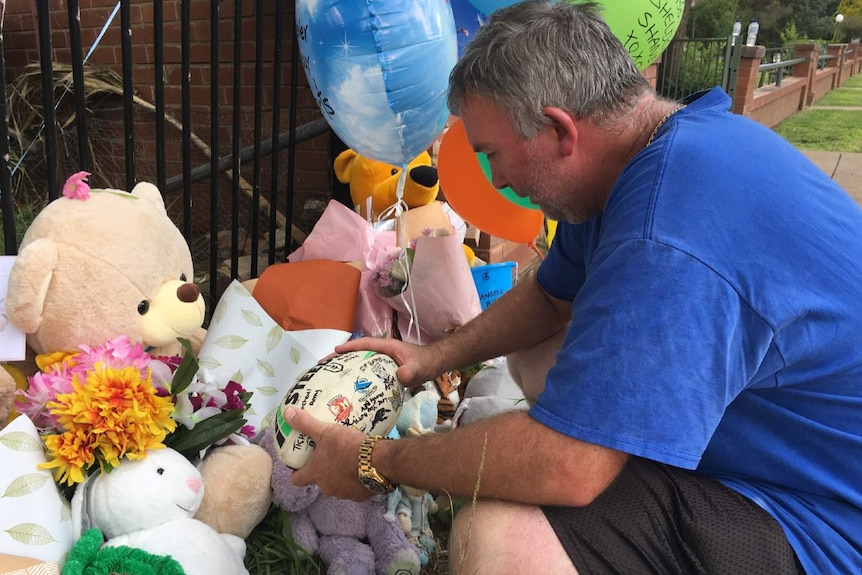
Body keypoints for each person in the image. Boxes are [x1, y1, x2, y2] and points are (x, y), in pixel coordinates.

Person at [282, 1, 862, 573]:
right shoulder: (657, 156)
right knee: (542, 352)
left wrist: (373, 460)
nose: (498, 179)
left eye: (494, 154)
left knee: (499, 539)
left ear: (560, 129)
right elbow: (548, 297)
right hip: (781, 454)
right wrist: (425, 358)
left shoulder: (669, 231)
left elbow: (568, 467)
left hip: (818, 522)